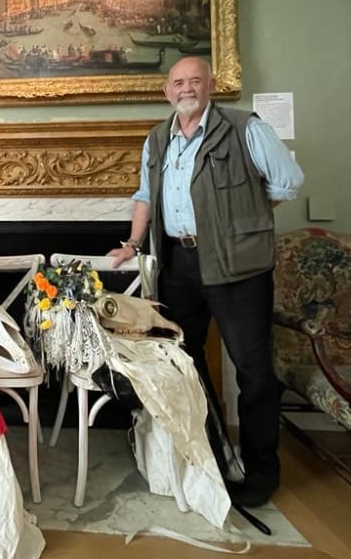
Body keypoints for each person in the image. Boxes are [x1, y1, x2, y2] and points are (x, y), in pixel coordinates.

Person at [109, 56, 304, 508]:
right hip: (178, 264)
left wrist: (241, 222)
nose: (186, 88)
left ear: (211, 85)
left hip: (238, 268)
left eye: (195, 80)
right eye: (178, 82)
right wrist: (134, 244)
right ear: (167, 91)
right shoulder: (158, 140)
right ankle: (211, 455)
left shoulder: (244, 127)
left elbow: (287, 182)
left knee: (253, 372)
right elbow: (144, 195)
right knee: (184, 363)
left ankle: (261, 472)